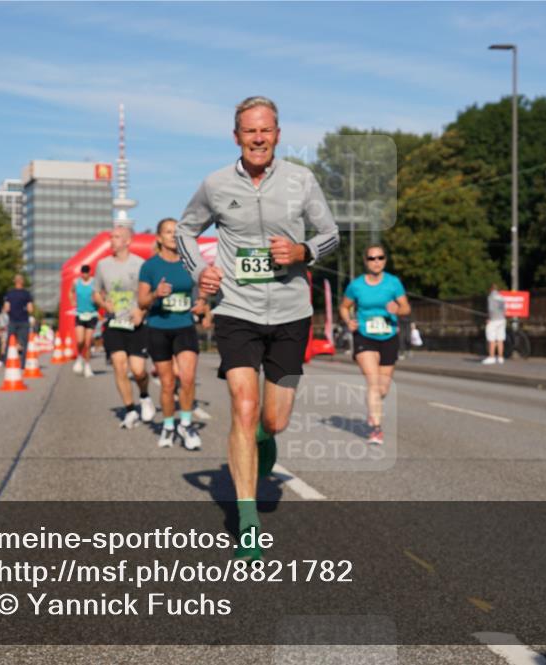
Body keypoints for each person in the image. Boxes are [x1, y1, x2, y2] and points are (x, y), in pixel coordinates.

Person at [176, 96, 339, 560]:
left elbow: (330, 234)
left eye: (266, 130)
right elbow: (187, 231)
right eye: (250, 131)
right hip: (237, 310)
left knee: (274, 419)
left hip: (291, 313)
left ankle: (265, 441)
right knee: (243, 406)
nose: (259, 138)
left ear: (278, 134)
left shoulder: (301, 180)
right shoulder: (215, 184)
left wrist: (302, 253)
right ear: (237, 136)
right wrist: (199, 272)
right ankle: (246, 518)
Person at [138, 218, 203, 450]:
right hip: (158, 328)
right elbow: (142, 301)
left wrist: (202, 302)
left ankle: (185, 424)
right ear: (159, 238)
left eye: (176, 232)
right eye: (168, 232)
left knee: (186, 378)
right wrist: (156, 293)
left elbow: (203, 287)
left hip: (184, 326)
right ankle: (167, 425)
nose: (173, 236)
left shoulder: (190, 263)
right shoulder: (150, 266)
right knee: (167, 384)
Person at [339, 245, 411, 445]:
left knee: (383, 387)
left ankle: (373, 409)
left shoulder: (393, 283)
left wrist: (397, 308)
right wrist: (348, 321)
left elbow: (406, 308)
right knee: (372, 381)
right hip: (364, 336)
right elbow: (344, 307)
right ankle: (376, 429)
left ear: (385, 260)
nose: (376, 261)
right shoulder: (356, 285)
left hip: (388, 336)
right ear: (366, 261)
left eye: (380, 257)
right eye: (372, 258)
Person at [94, 224, 154, 429]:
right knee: (119, 366)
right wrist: (103, 303)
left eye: (117, 237)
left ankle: (144, 396)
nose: (112, 240)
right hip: (114, 323)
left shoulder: (140, 265)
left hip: (136, 324)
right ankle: (130, 410)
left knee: (138, 371)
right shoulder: (102, 265)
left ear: (128, 241)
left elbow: (149, 295)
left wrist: (141, 311)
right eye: (111, 236)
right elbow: (96, 292)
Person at [70, 264, 98, 378]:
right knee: (80, 341)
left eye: (86, 272)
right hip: (80, 314)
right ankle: (80, 357)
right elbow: (70, 292)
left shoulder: (95, 282)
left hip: (91, 314)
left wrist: (97, 301)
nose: (84, 274)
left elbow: (101, 294)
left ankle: (87, 366)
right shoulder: (76, 282)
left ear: (89, 272)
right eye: (83, 272)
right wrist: (72, 301)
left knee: (88, 342)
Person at [2, 274, 33, 362]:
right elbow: (30, 309)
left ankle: (7, 361)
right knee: (24, 343)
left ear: (14, 282)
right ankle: (23, 363)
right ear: (22, 282)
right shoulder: (27, 294)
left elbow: (6, 308)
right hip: (24, 321)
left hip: (12, 321)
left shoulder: (10, 294)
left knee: (10, 342)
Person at [484, 283, 506, 365]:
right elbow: (504, 309)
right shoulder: (501, 297)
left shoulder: (491, 297)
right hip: (502, 319)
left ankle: (491, 357)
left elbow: (491, 309)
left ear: (491, 289)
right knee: (500, 339)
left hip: (494, 320)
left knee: (491, 339)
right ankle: (500, 358)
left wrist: (489, 318)